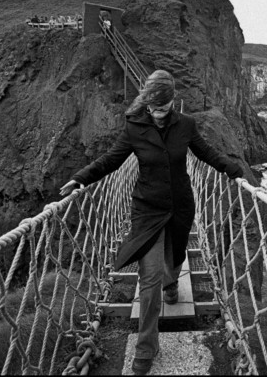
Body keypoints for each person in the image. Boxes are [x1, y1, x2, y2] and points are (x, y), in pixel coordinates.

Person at [59, 70, 243, 375]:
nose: (158, 113)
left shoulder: (186, 125)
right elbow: (111, 159)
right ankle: (146, 346)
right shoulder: (135, 127)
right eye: (153, 107)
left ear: (172, 101)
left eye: (163, 107)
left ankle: (172, 283)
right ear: (146, 102)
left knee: (176, 256)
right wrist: (81, 178)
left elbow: (205, 152)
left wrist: (232, 169)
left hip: (180, 206)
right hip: (147, 209)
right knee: (149, 277)